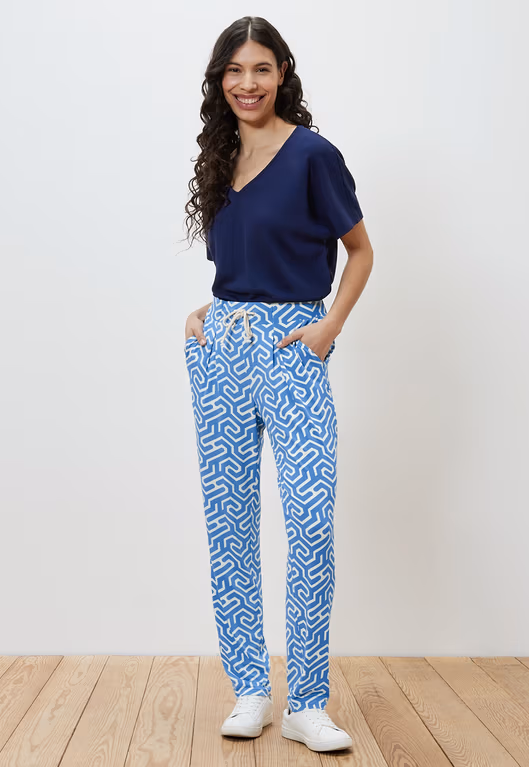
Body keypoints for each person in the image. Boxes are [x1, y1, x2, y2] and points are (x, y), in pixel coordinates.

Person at [182, 16, 373, 754]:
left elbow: (359, 251)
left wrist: (328, 328)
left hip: (295, 349)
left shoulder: (313, 155)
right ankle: (251, 690)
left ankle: (308, 702)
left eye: (261, 68)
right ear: (220, 80)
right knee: (229, 525)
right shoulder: (220, 156)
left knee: (312, 523)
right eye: (234, 70)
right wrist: (207, 311)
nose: (247, 83)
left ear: (282, 73)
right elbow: (236, 264)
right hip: (222, 352)